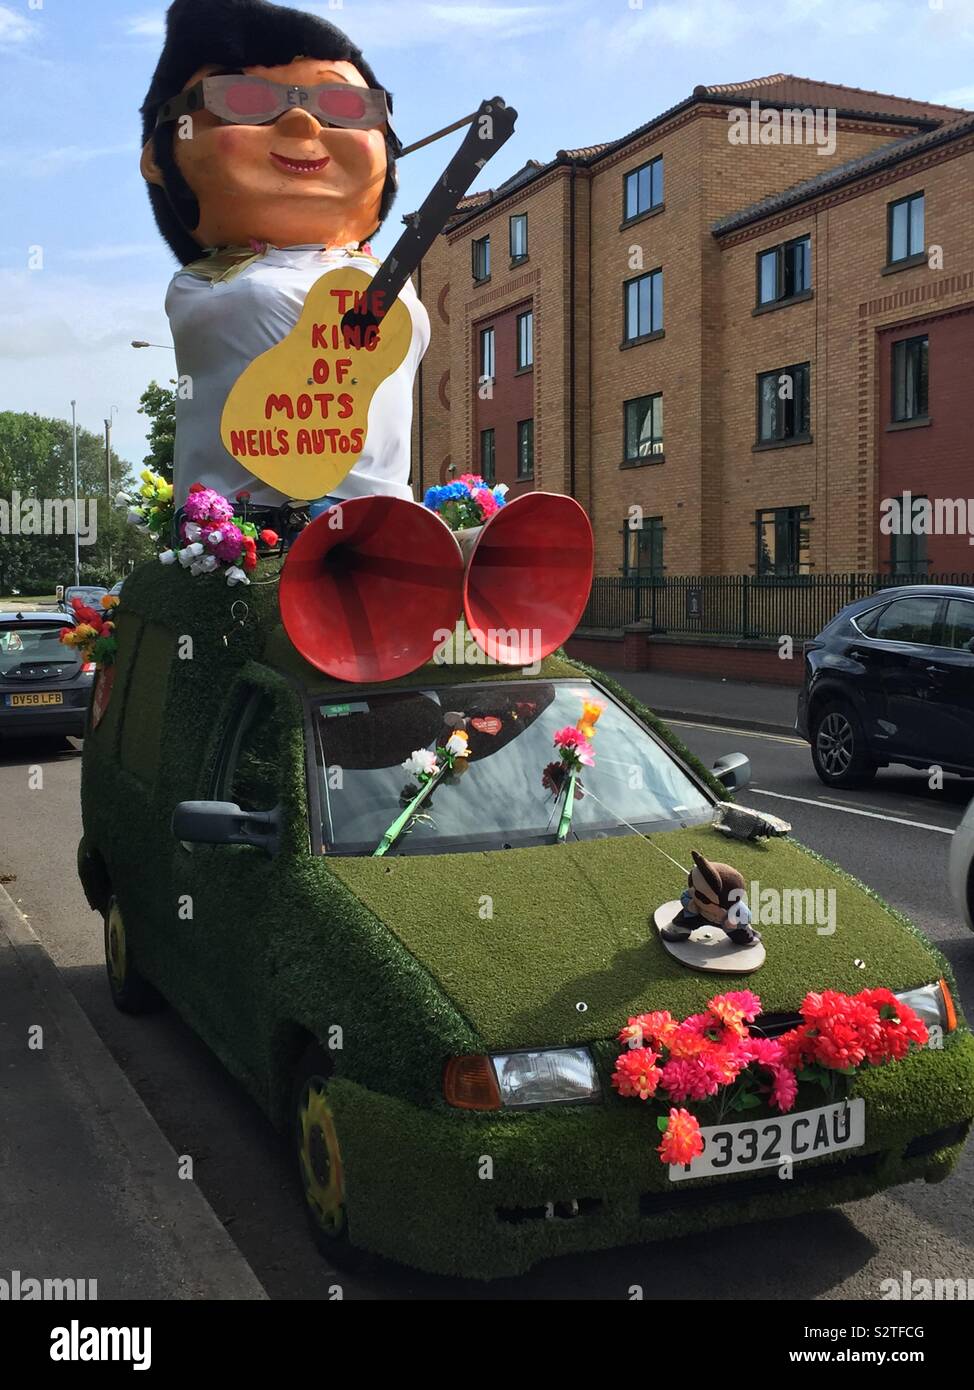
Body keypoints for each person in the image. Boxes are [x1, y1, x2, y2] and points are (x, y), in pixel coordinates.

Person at [139, 0, 429, 522]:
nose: (300, 119)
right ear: (159, 157)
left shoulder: (378, 273)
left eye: (343, 106)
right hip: (250, 532)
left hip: (382, 534)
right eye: (244, 100)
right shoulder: (208, 285)